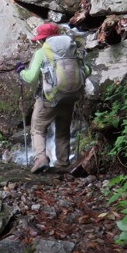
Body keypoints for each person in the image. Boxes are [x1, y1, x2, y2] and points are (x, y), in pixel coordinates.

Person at [17, 23, 89, 173]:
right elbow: (87, 70)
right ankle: (63, 163)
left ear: (44, 39)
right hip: (70, 97)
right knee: (63, 131)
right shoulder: (72, 48)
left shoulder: (42, 52)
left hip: (49, 98)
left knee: (38, 129)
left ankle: (41, 158)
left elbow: (30, 78)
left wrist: (21, 72)